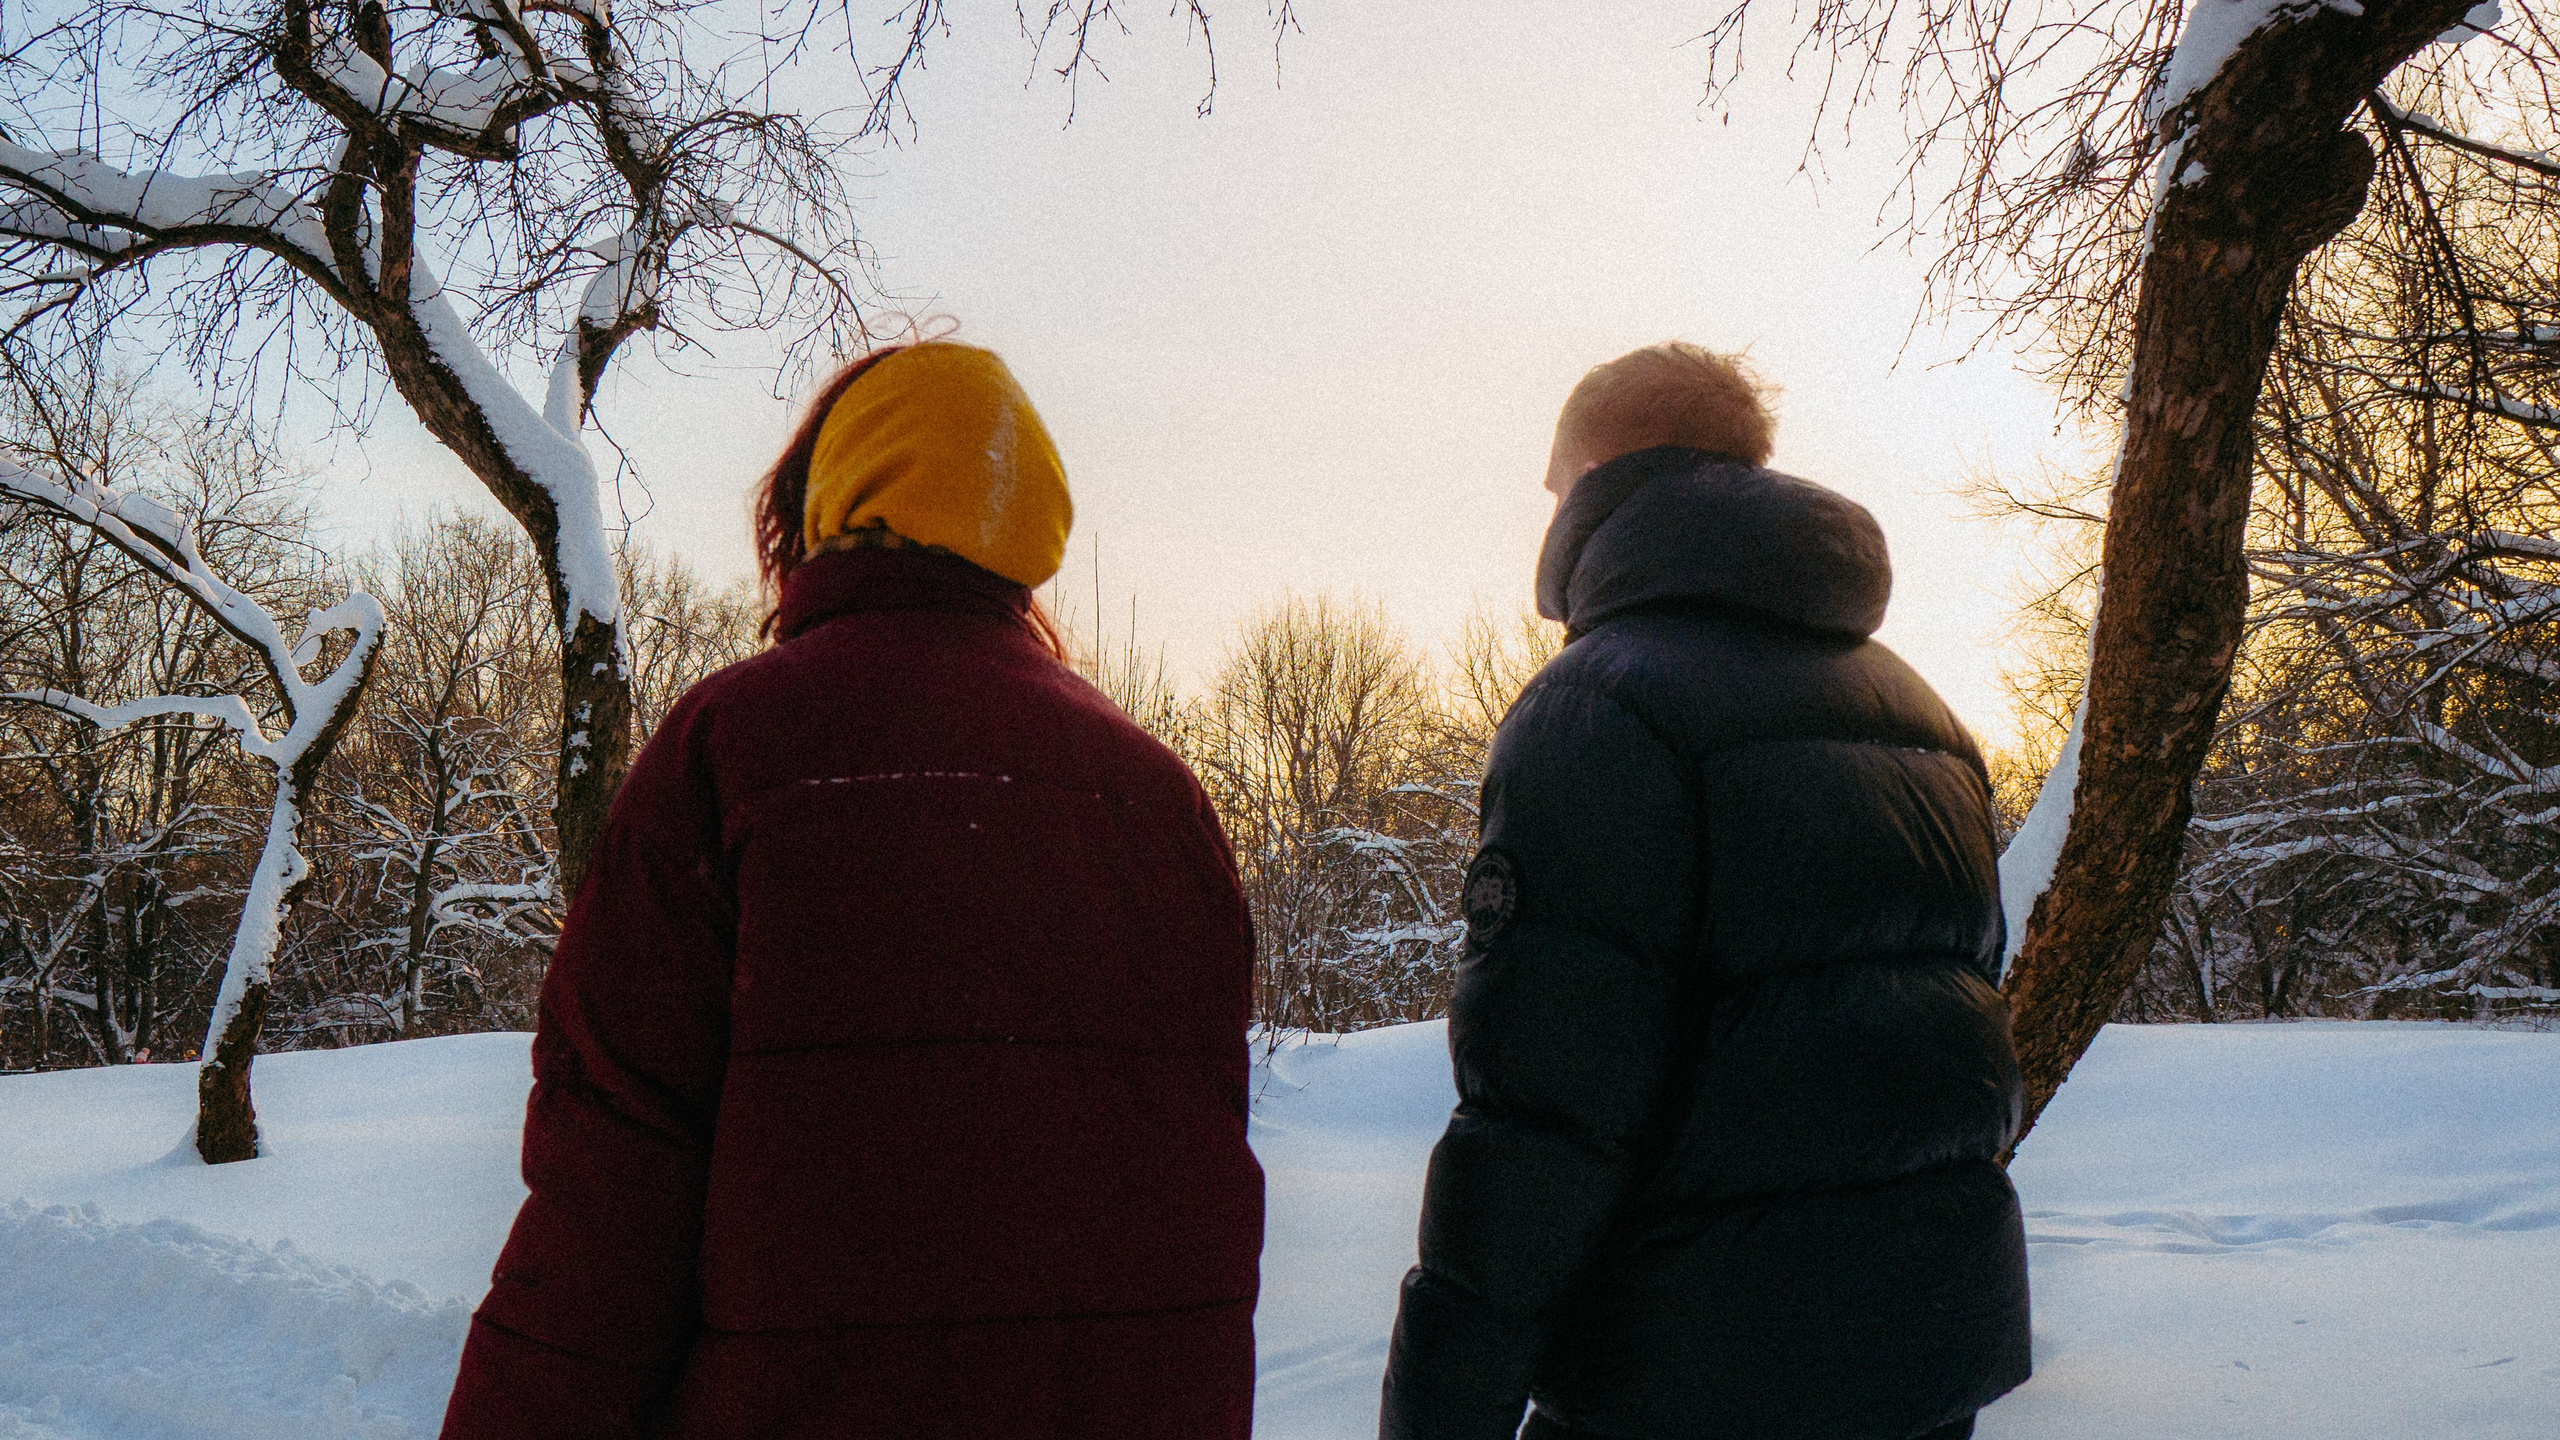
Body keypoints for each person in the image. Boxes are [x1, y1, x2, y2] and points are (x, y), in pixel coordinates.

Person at [439, 341, 1265, 1440]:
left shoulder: (731, 750)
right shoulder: (1161, 800)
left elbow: (609, 1211)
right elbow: (1187, 1222)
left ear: (821, 504)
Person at [1378, 343, 2031, 1440]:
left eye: (1551, 487)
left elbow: (1540, 1117)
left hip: (1686, 1379)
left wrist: (1439, 1415)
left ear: (1597, 476)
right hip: (1920, 1363)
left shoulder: (1600, 708)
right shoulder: (1920, 715)